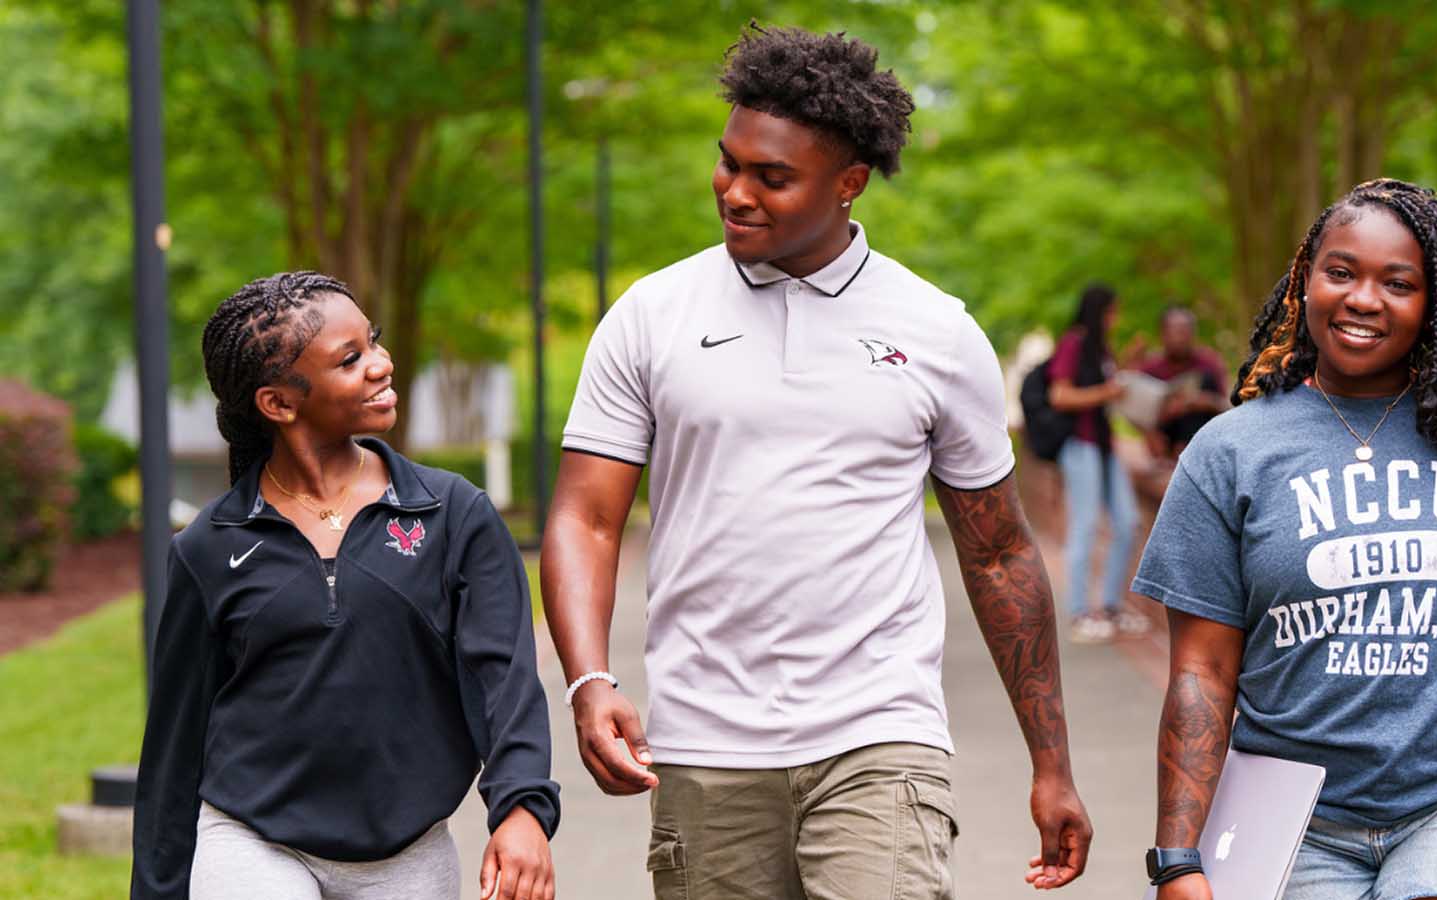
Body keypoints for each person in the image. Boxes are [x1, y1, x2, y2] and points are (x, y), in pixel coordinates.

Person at [542, 24, 1093, 899]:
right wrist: (587, 679)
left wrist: (1052, 763)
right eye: (728, 163)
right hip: (704, 744)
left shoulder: (936, 331)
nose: (735, 192)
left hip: (880, 734)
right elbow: (585, 517)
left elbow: (998, 552)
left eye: (772, 177)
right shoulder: (653, 315)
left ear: (848, 184)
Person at [1136, 179, 1437, 899]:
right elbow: (1202, 670)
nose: (1362, 298)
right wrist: (1178, 857)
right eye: (1341, 271)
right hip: (1291, 817)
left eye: (1399, 282)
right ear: (1304, 282)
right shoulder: (1230, 454)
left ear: (1433, 304)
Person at [131, 272, 559, 900]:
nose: (382, 365)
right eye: (350, 358)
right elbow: (175, 742)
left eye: (375, 342)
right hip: (252, 838)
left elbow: (504, 678)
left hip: (405, 852)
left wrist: (522, 807)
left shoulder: (453, 515)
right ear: (279, 403)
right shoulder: (208, 547)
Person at [1045, 283, 1150, 642]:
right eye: (1111, 312)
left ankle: (1109, 605)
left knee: (1128, 522)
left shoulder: (1101, 348)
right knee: (1085, 526)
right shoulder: (1073, 343)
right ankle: (1079, 612)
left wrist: (1125, 365)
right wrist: (1108, 391)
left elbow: (1106, 384)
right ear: (1098, 312)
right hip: (1081, 447)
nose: (1115, 319)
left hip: (1105, 447)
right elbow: (1059, 395)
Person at [1137, 307, 1229, 461]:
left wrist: (1205, 402)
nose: (1181, 338)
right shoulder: (1150, 368)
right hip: (1165, 440)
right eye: (1176, 332)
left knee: (1204, 380)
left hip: (1202, 436)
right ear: (1163, 334)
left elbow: (1226, 408)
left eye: (1186, 331)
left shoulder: (1209, 362)